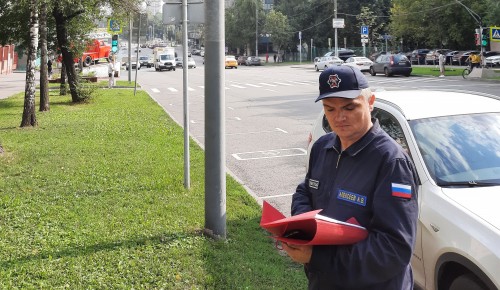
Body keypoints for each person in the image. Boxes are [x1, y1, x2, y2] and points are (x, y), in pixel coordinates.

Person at [282, 66, 418, 290]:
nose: (339, 117)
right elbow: (305, 190)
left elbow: (393, 250)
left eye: (349, 107)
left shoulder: (391, 162)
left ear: (370, 101)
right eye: (330, 109)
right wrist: (304, 228)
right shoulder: (322, 147)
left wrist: (317, 257)